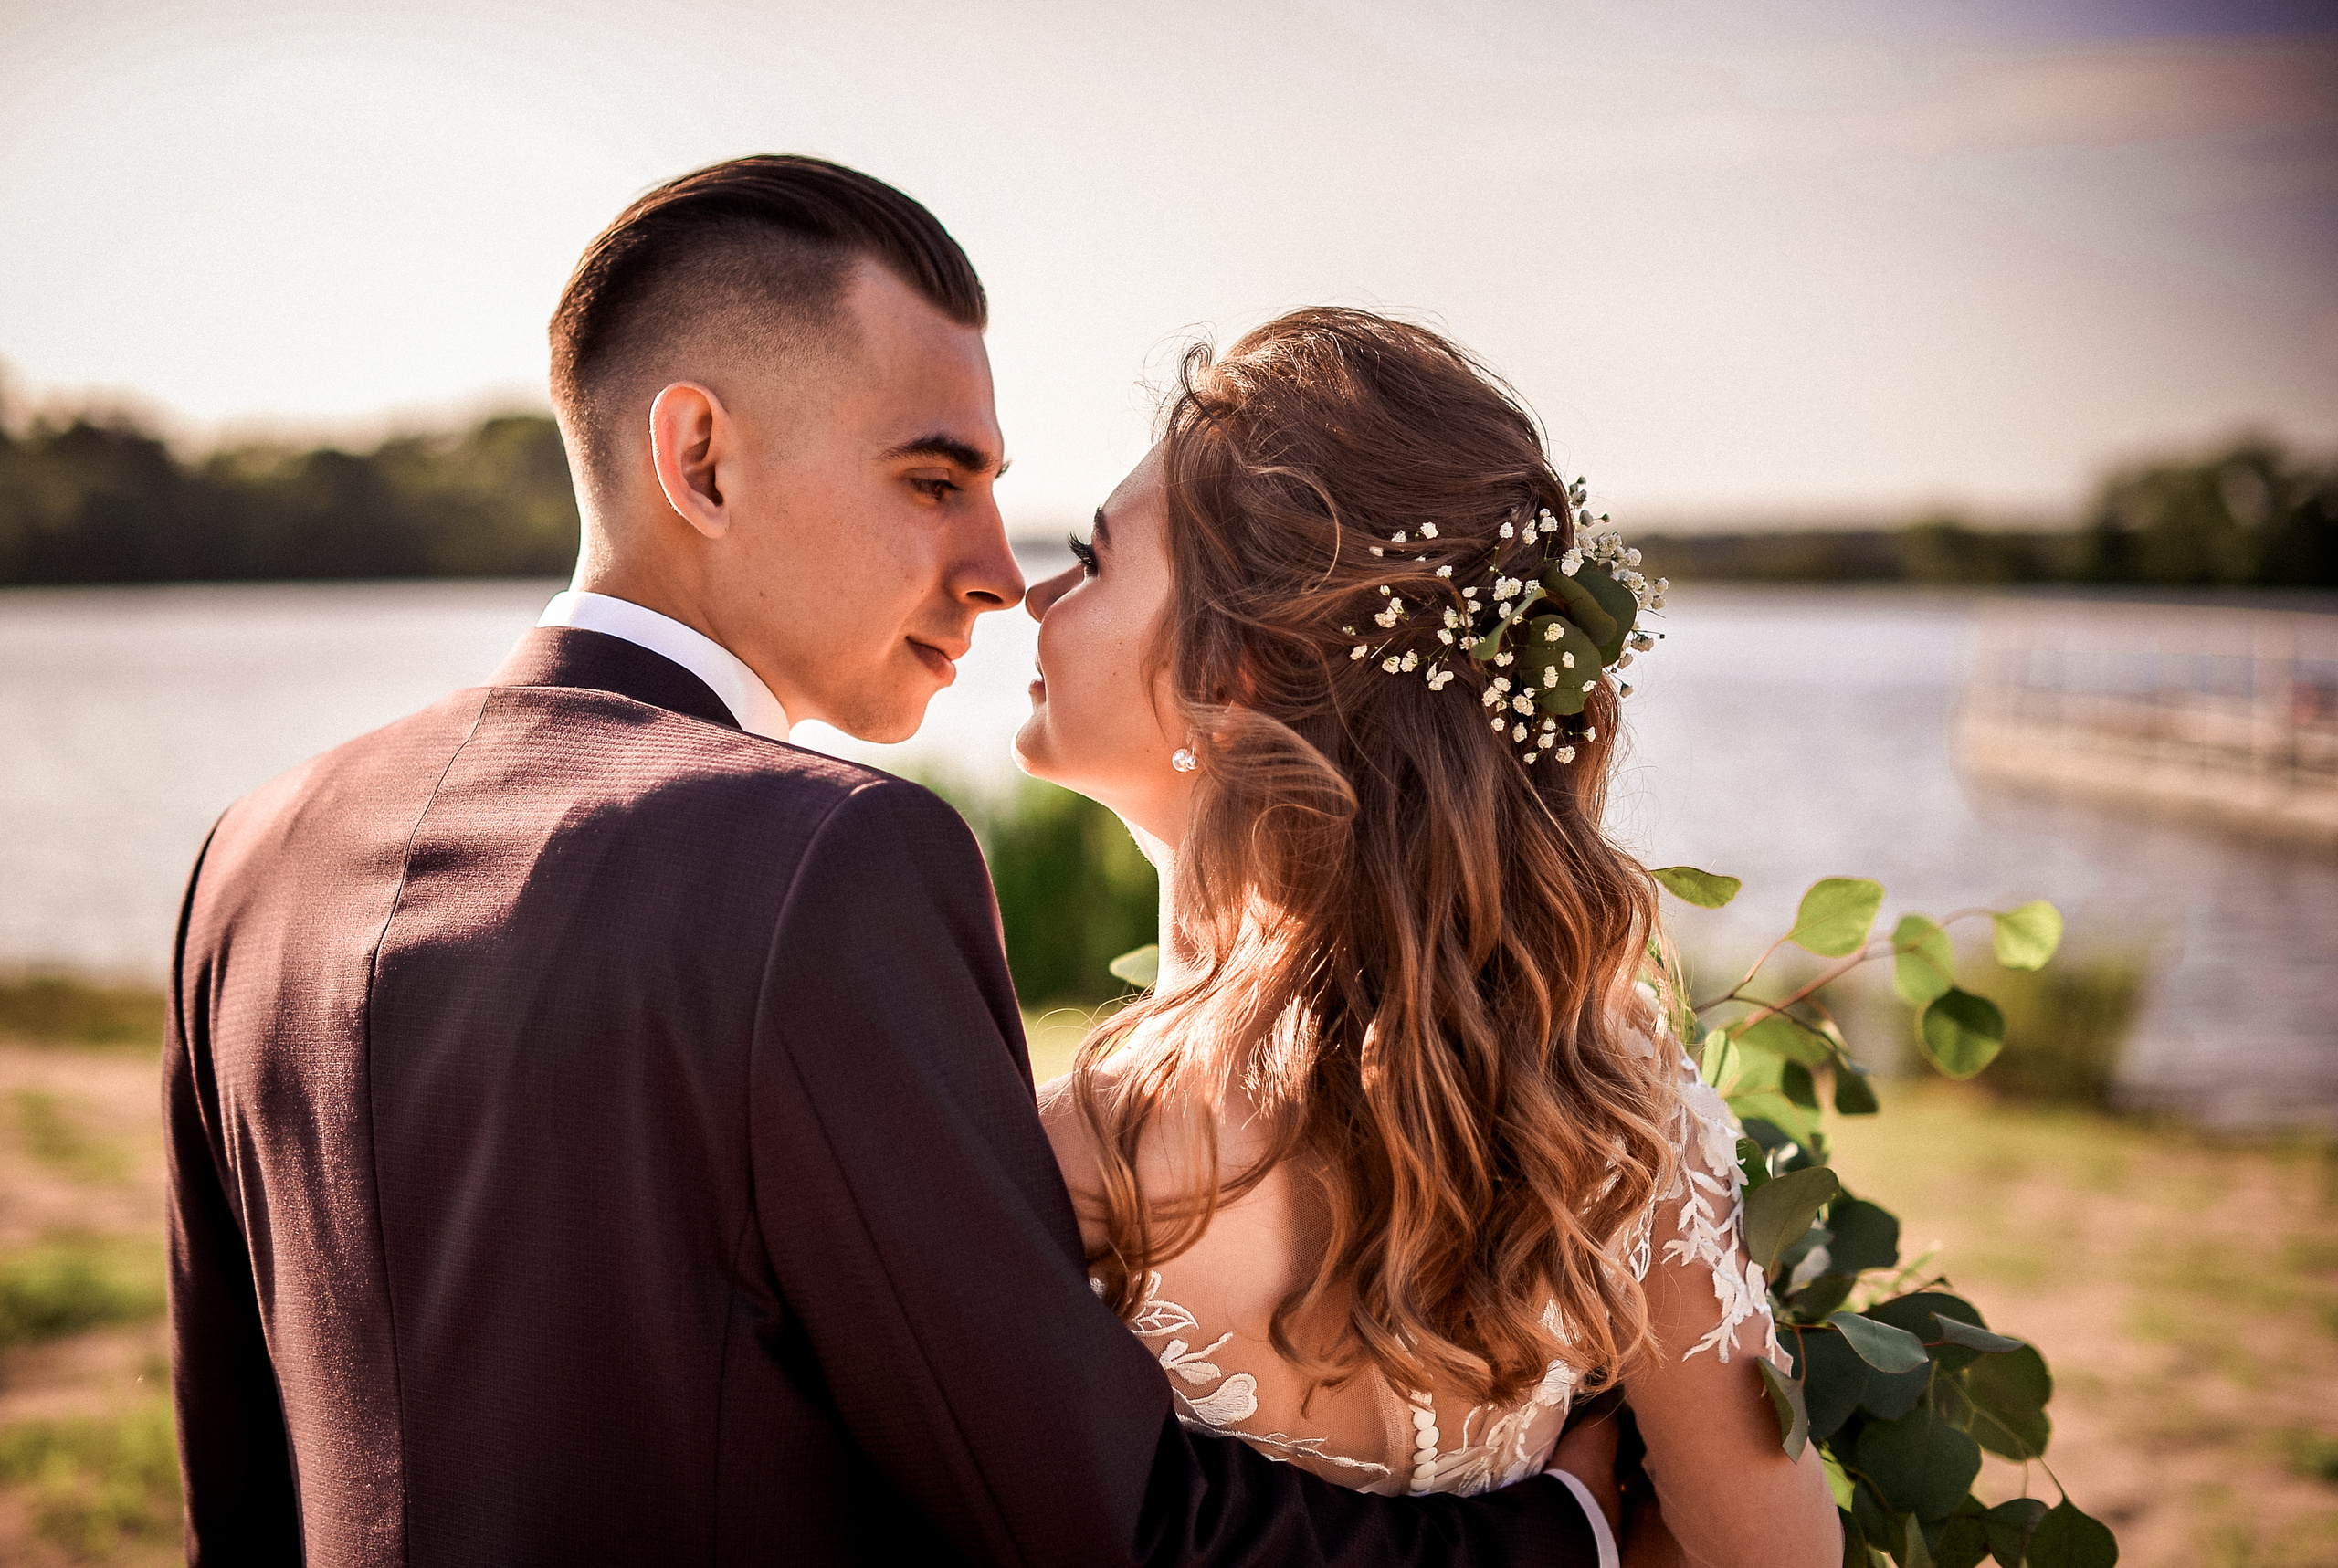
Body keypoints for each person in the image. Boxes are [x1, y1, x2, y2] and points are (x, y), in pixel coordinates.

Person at [163, 157, 1618, 1565]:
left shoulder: (255, 854)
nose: (997, 569)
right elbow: (1095, 1526)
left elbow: (235, 1506)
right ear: (700, 460)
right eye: (935, 480)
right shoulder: (829, 861)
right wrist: (1565, 1532)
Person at [1016, 310, 1843, 1565]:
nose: (1034, 593)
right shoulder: (1618, 1109)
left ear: (1228, 675)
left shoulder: (1097, 1150)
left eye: (1088, 560)